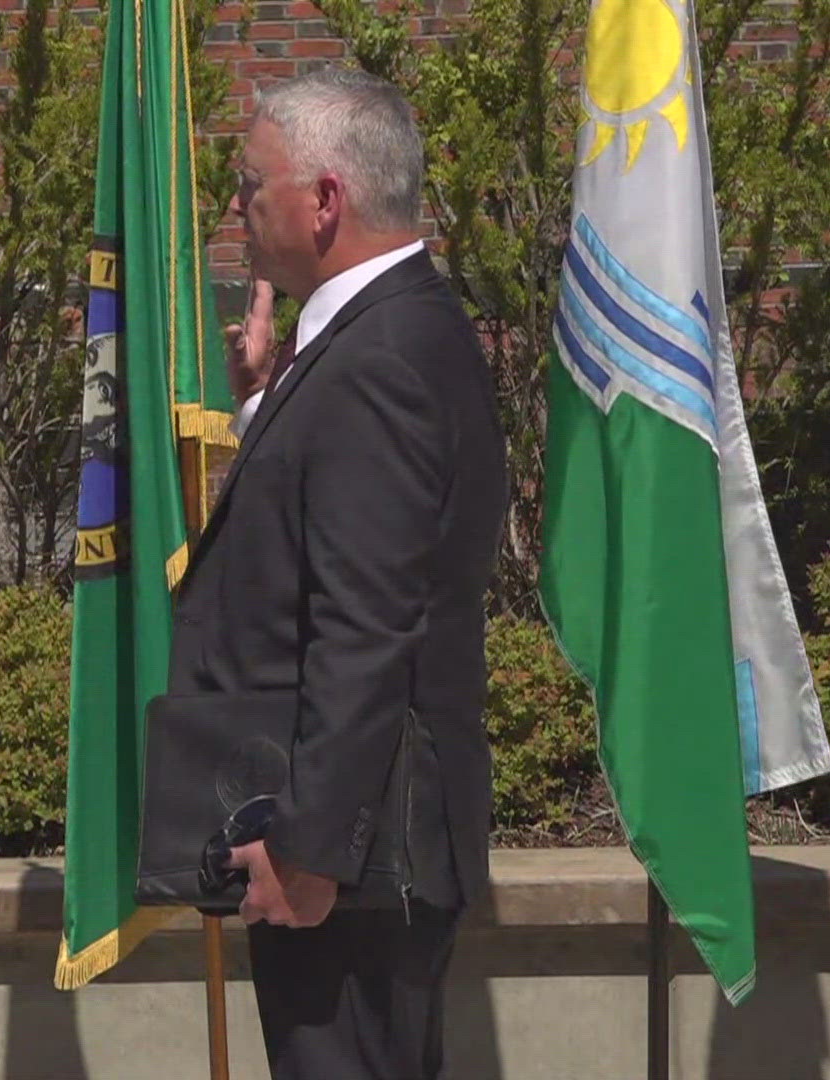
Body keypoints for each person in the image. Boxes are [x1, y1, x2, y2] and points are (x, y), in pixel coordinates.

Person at [171, 68, 507, 1078]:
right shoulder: (375, 339)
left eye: (249, 184)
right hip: (355, 844)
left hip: (355, 860)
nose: (236, 207)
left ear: (325, 200)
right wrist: (263, 410)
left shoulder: (381, 359)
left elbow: (369, 625)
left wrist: (310, 850)